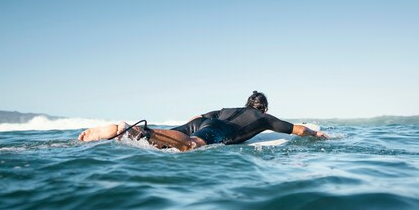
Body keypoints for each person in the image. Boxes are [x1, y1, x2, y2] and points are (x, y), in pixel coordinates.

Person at [78, 91, 328, 151]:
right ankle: (142, 131)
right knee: (189, 145)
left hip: (205, 121)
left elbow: (199, 117)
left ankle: (126, 132)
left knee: (166, 141)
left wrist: (186, 128)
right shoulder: (264, 118)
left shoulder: (226, 107)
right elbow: (297, 129)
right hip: (220, 129)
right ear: (263, 107)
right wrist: (318, 135)